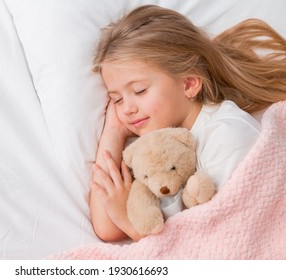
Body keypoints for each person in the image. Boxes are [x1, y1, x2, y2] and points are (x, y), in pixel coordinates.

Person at [89, 5, 286, 242]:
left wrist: (130, 224)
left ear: (189, 84)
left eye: (139, 91)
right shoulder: (156, 152)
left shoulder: (227, 135)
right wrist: (113, 131)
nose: (127, 108)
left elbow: (218, 242)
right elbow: (107, 227)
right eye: (117, 99)